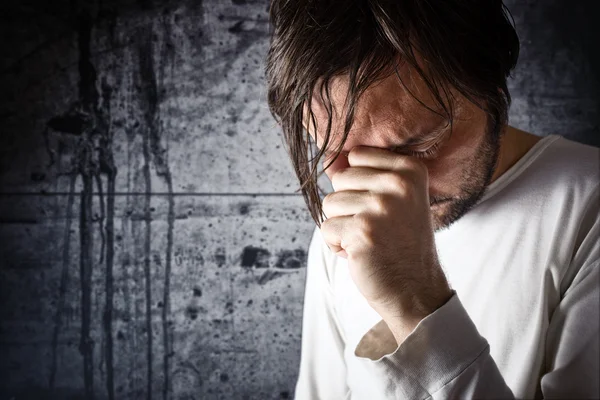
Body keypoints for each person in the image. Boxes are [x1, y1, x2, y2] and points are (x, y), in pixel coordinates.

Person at [265, 0, 599, 399]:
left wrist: (416, 303)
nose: (376, 189)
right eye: (332, 152)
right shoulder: (340, 230)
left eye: (420, 146)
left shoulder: (587, 207)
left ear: (492, 89)